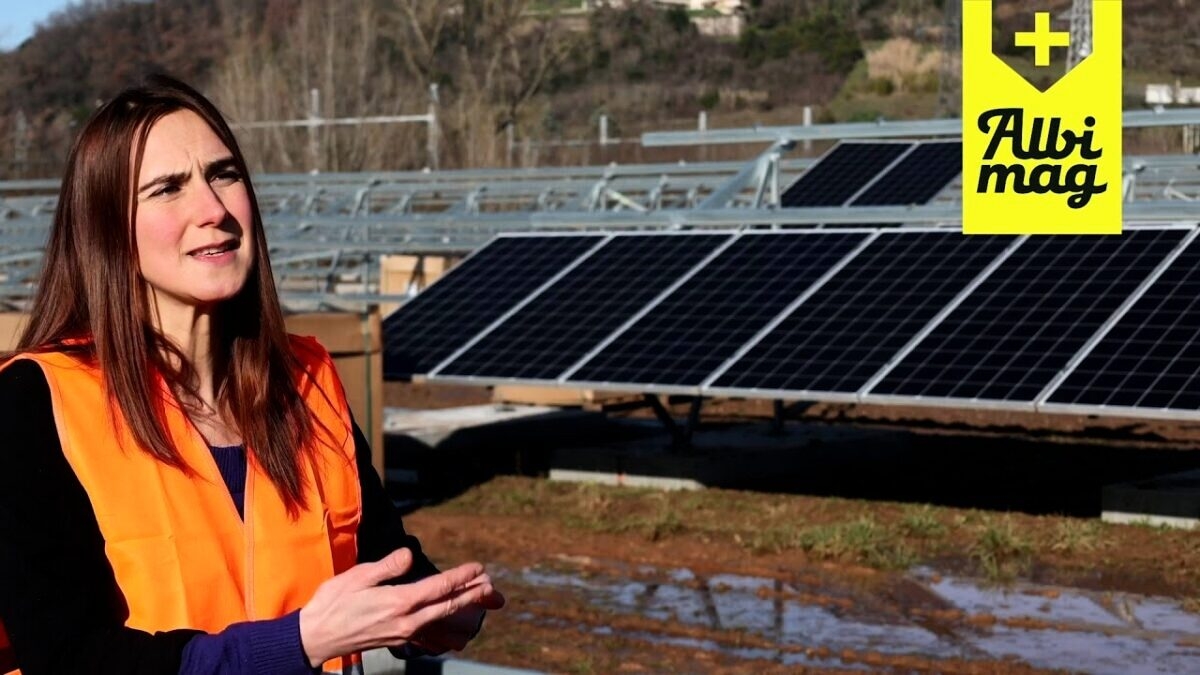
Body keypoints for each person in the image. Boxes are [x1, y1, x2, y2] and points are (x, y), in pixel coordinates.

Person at [0, 74, 504, 674]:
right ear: (106, 229)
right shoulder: (35, 402)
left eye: (224, 174)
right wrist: (296, 644)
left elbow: (381, 557)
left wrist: (432, 609)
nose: (212, 209)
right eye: (167, 188)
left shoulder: (307, 383)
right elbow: (69, 656)